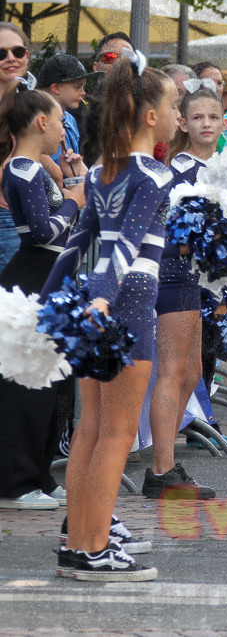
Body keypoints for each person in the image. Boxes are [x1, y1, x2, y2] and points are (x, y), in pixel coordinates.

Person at [43, 49, 180, 581]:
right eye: (173, 106)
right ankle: (95, 549)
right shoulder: (153, 175)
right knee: (117, 434)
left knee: (92, 430)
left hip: (99, 299)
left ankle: (78, 544)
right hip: (127, 302)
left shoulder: (103, 171)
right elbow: (120, 250)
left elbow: (79, 243)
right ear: (150, 116)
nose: (175, 115)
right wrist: (100, 301)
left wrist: (51, 301)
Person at [0, 83, 85, 510]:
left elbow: (69, 221)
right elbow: (42, 232)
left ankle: (40, 471)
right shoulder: (22, 169)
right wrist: (71, 200)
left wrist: (77, 180)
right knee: (28, 385)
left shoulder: (37, 169)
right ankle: (16, 482)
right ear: (41, 122)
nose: (64, 130)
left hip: (51, 278)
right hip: (32, 279)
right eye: (59, 120)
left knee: (54, 384)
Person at [141, 85, 225, 501]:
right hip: (172, 272)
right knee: (173, 373)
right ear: (184, 124)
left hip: (193, 278)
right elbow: (175, 230)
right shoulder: (180, 168)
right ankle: (161, 469)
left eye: (213, 117)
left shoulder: (223, 167)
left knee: (191, 373)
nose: (205, 124)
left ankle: (164, 459)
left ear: (223, 123)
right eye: (197, 117)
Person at [0, 22, 32, 275]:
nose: (11, 58)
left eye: (17, 52)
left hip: (30, 214)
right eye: (1, 54)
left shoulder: (28, 100)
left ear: (27, 56)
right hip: (5, 218)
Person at [81, 32, 134, 167]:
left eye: (127, 58)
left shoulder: (143, 110)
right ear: (96, 67)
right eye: (110, 57)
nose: (119, 64)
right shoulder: (80, 108)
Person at [38, 54, 91, 177]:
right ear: (56, 88)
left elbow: (77, 161)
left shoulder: (70, 119)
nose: (83, 92)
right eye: (77, 87)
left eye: (83, 87)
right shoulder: (38, 120)